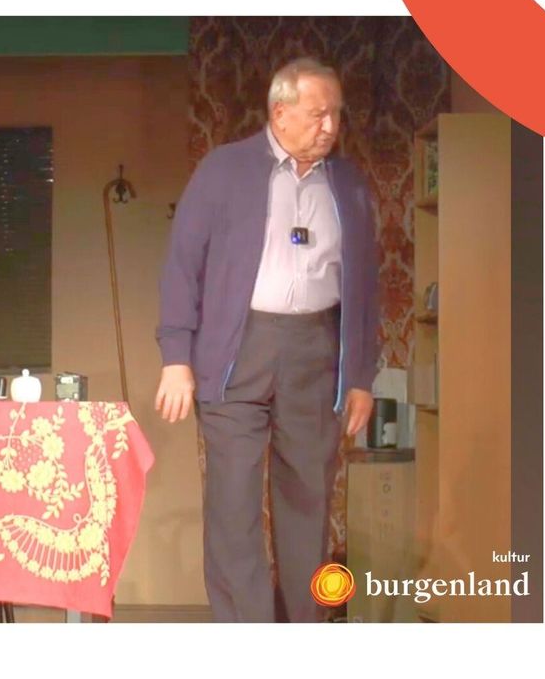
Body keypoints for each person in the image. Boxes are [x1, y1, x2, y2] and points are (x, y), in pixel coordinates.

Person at [154, 57, 380, 622]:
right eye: (317, 114)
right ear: (280, 112)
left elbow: (366, 285)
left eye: (336, 115)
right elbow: (183, 266)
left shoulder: (348, 183)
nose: (329, 126)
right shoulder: (224, 170)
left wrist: (360, 377)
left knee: (308, 499)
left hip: (317, 351)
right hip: (236, 350)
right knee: (233, 503)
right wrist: (176, 358)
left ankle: (301, 630)